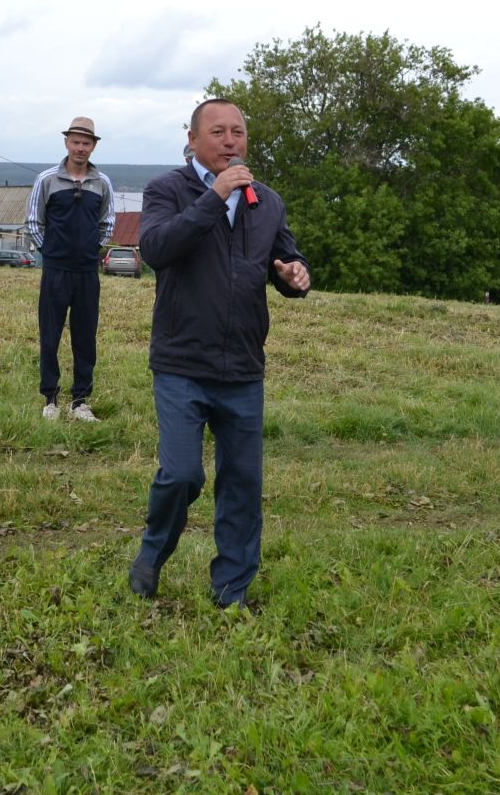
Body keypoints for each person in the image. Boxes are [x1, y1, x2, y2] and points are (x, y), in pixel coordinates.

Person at [127, 99, 311, 609]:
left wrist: (297, 276)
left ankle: (231, 589)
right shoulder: (167, 189)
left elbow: (288, 259)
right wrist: (215, 198)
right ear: (191, 139)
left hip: (244, 367)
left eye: (239, 133)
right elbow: (157, 248)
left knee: (243, 483)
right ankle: (151, 554)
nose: (231, 141)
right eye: (218, 132)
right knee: (182, 474)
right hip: (183, 363)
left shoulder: (266, 201)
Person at [24, 116, 116, 422]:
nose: (80, 147)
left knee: (85, 336)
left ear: (93, 146)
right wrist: (48, 251)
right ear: (66, 143)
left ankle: (80, 401)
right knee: (49, 334)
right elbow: (34, 222)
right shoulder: (47, 179)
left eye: (86, 142)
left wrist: (93, 250)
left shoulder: (102, 183)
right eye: (75, 141)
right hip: (56, 270)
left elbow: (107, 223)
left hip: (87, 273)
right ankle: (50, 398)